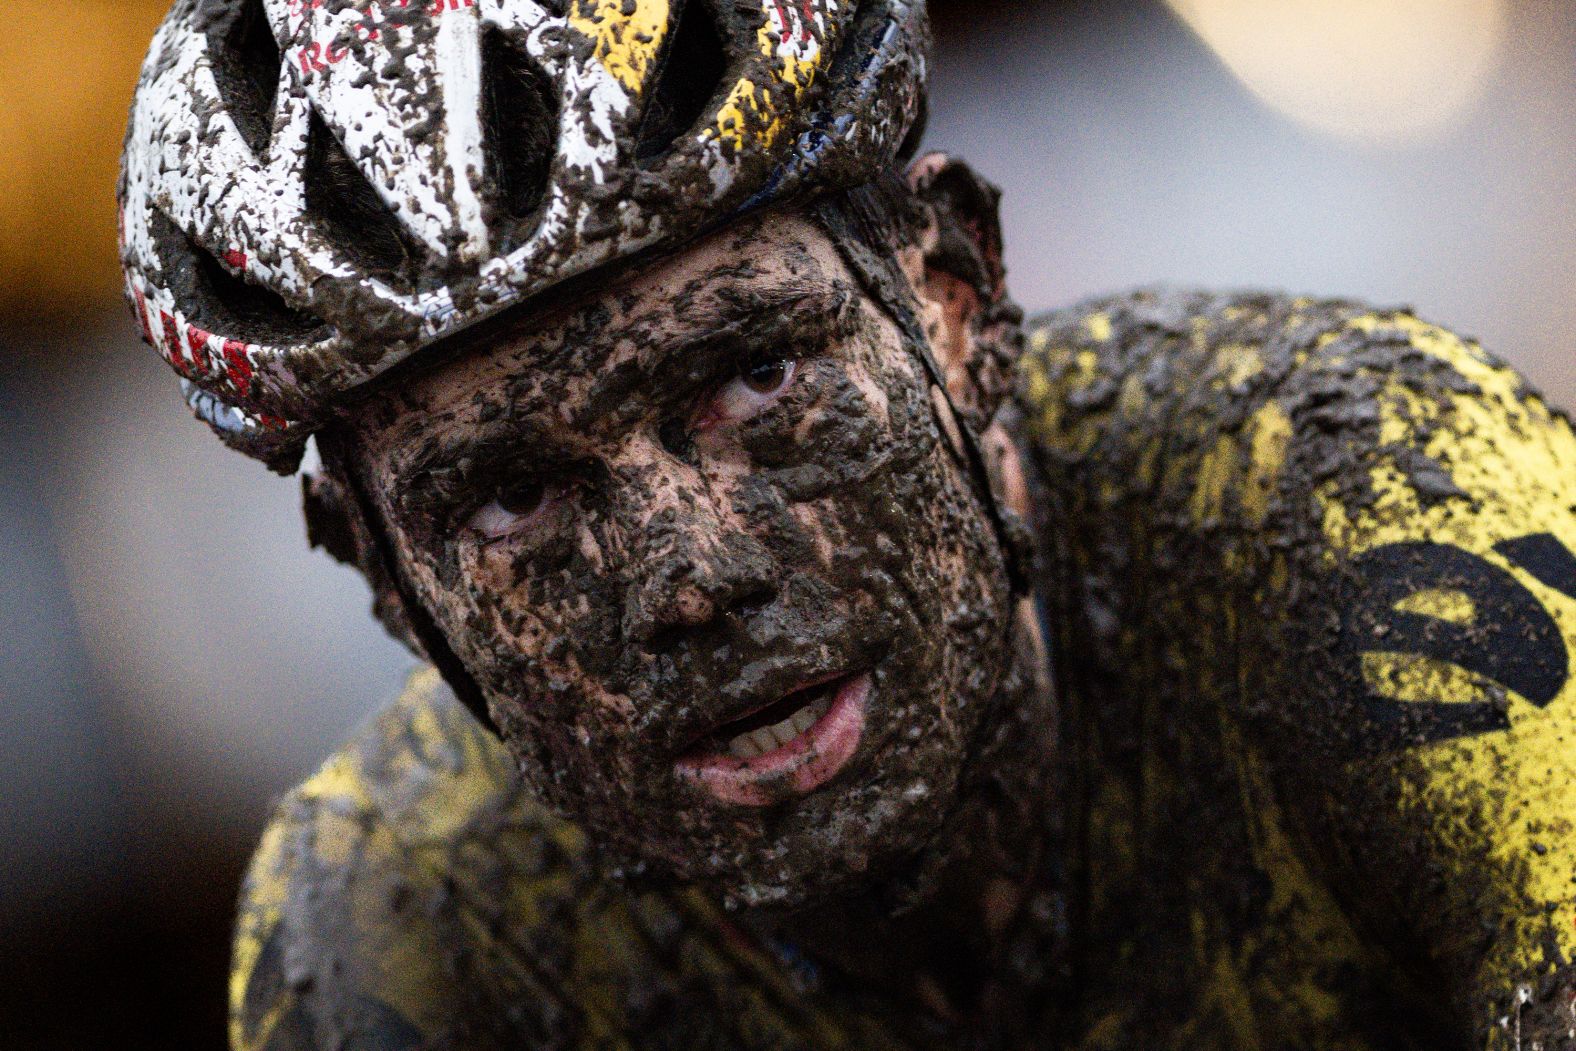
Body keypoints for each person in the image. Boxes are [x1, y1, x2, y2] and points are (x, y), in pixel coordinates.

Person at [119, 1, 1576, 1048]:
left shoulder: (1375, 534)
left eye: (755, 376)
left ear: (952, 305)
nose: (692, 576)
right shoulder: (407, 935)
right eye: (511, 496)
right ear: (389, 585)